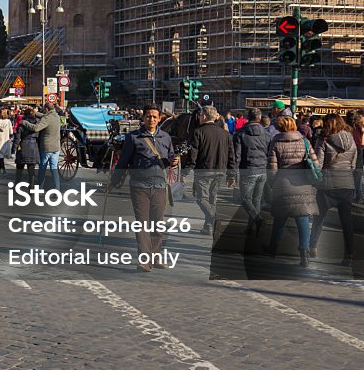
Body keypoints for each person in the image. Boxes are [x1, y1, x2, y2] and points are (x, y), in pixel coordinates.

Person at [111, 104, 175, 273]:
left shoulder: (166, 137)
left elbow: (170, 158)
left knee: (158, 225)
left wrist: (173, 161)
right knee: (142, 224)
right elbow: (123, 162)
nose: (151, 119)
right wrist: (114, 181)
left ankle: (155, 256)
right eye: (148, 116)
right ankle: (144, 259)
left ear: (159, 118)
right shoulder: (133, 137)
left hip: (160, 186)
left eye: (154, 117)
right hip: (139, 186)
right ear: (143, 117)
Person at [265, 115, 320, 268]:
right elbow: (316, 164)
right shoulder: (304, 141)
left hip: (283, 185)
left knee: (279, 219)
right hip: (303, 184)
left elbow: (272, 168)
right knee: (302, 220)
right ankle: (304, 253)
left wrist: (271, 184)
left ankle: (273, 248)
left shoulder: (276, 142)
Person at [315, 114, 358, 265]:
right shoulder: (351, 140)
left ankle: (311, 247)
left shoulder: (324, 140)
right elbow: (353, 165)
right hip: (347, 184)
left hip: (328, 184)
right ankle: (349, 254)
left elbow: (318, 164)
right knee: (347, 222)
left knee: (319, 217)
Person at [187, 106, 236, 236]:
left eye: (200, 115)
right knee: (212, 199)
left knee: (201, 198)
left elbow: (193, 154)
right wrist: (232, 174)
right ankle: (208, 226)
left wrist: (187, 170)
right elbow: (231, 155)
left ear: (203, 116)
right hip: (220, 170)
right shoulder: (225, 134)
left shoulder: (198, 132)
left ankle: (213, 218)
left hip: (203, 170)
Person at [233, 107, 269, 236]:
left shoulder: (240, 133)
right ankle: (252, 228)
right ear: (259, 118)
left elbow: (237, 156)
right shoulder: (267, 134)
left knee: (245, 199)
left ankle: (257, 220)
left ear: (248, 118)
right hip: (262, 170)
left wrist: (233, 173)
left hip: (248, 169)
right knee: (256, 200)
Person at [22, 103, 63, 191]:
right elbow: (44, 116)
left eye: (44, 109)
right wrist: (34, 112)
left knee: (42, 168)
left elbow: (36, 128)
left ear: (47, 109)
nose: (43, 110)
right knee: (54, 169)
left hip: (47, 148)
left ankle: (39, 188)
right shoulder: (56, 116)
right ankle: (57, 189)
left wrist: (25, 123)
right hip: (56, 147)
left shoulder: (46, 119)